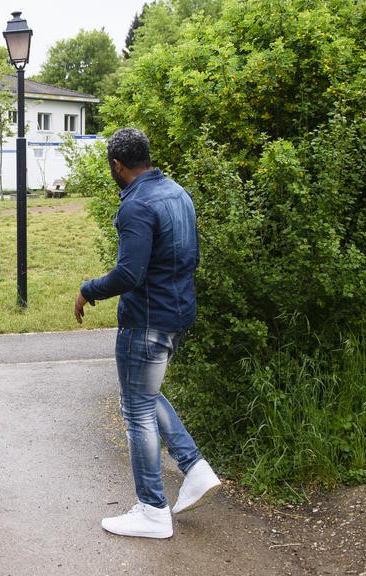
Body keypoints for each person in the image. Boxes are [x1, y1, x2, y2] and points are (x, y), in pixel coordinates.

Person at [75, 128, 221, 539]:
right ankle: (194, 468)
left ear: (117, 166)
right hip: (176, 314)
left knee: (136, 409)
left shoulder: (136, 204)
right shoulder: (178, 193)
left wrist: (88, 290)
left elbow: (129, 273)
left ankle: (153, 510)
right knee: (146, 396)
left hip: (147, 321)